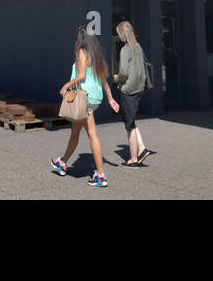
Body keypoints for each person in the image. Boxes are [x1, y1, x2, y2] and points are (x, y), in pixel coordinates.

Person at [52, 28, 118, 187]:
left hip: (85, 99)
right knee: (75, 132)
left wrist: (66, 86)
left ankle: (101, 175)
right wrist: (110, 99)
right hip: (95, 98)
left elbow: (81, 76)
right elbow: (103, 80)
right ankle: (63, 162)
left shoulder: (82, 52)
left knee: (92, 134)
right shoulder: (97, 56)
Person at [111, 20, 150, 165]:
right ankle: (142, 149)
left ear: (122, 34)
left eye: (118, 33)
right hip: (139, 89)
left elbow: (123, 73)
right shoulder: (138, 48)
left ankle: (134, 159)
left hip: (128, 90)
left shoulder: (125, 50)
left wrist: (116, 78)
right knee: (132, 120)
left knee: (129, 126)